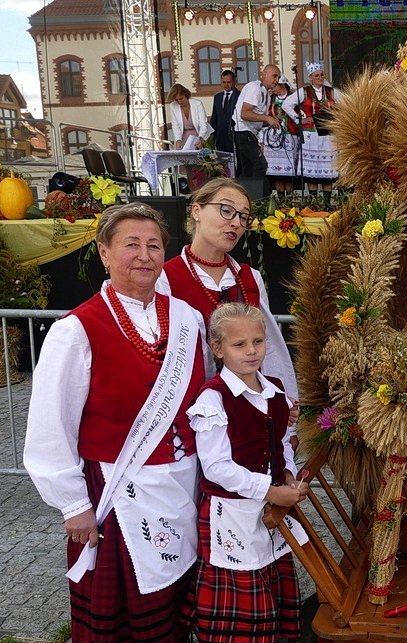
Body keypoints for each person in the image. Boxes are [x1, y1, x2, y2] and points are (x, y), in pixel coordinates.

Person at [23, 203, 208, 643]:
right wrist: (72, 505)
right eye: (130, 244)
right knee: (138, 599)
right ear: (103, 253)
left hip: (181, 482)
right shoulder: (76, 330)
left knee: (176, 588)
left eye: (154, 245)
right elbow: (50, 423)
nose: (144, 256)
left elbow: (202, 400)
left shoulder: (188, 320)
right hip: (118, 487)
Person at [186, 302, 309, 643]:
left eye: (257, 341)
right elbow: (216, 466)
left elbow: (283, 442)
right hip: (234, 514)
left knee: (264, 586)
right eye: (239, 344)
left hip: (268, 511)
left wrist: (289, 473)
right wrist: (269, 489)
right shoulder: (213, 399)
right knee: (237, 603)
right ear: (218, 348)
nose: (252, 351)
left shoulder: (273, 389)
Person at [157, 177, 298, 400]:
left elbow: (269, 348)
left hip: (248, 405)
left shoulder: (249, 278)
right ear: (196, 211)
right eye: (226, 210)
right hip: (192, 407)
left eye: (243, 216)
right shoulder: (166, 278)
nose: (236, 223)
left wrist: (283, 401)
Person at [282, 63, 343, 194]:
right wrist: (299, 119)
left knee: (328, 171)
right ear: (310, 77)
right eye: (316, 76)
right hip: (311, 135)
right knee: (312, 172)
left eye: (321, 75)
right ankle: (313, 200)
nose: (320, 78)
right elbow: (286, 104)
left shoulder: (332, 92)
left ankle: (326, 202)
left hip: (328, 134)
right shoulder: (304, 92)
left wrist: (338, 118)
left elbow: (347, 103)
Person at [234, 64, 282, 178]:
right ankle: (258, 194)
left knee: (248, 169)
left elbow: (257, 119)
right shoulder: (254, 87)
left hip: (250, 133)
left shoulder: (267, 93)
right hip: (243, 132)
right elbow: (245, 114)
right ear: (264, 74)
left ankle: (243, 192)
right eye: (274, 76)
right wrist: (268, 118)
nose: (276, 80)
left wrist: (272, 120)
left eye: (279, 78)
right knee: (260, 165)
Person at [263, 77, 300, 193]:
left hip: (290, 136)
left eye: (275, 86)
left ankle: (289, 198)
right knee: (276, 172)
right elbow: (266, 115)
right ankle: (280, 199)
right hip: (274, 139)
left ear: (283, 85)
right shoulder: (271, 98)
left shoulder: (293, 98)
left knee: (289, 172)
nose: (272, 89)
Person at [168, 83, 213, 150]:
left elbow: (203, 124)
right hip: (184, 137)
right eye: (176, 100)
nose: (179, 101)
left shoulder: (197, 104)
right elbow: (175, 126)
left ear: (185, 94)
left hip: (200, 134)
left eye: (181, 98)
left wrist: (201, 138)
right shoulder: (173, 106)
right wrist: (178, 140)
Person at [209, 69, 240, 155]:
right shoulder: (217, 97)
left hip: (234, 138)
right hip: (220, 138)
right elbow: (214, 118)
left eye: (229, 82)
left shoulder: (240, 96)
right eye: (224, 82)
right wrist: (212, 137)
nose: (226, 84)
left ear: (234, 82)